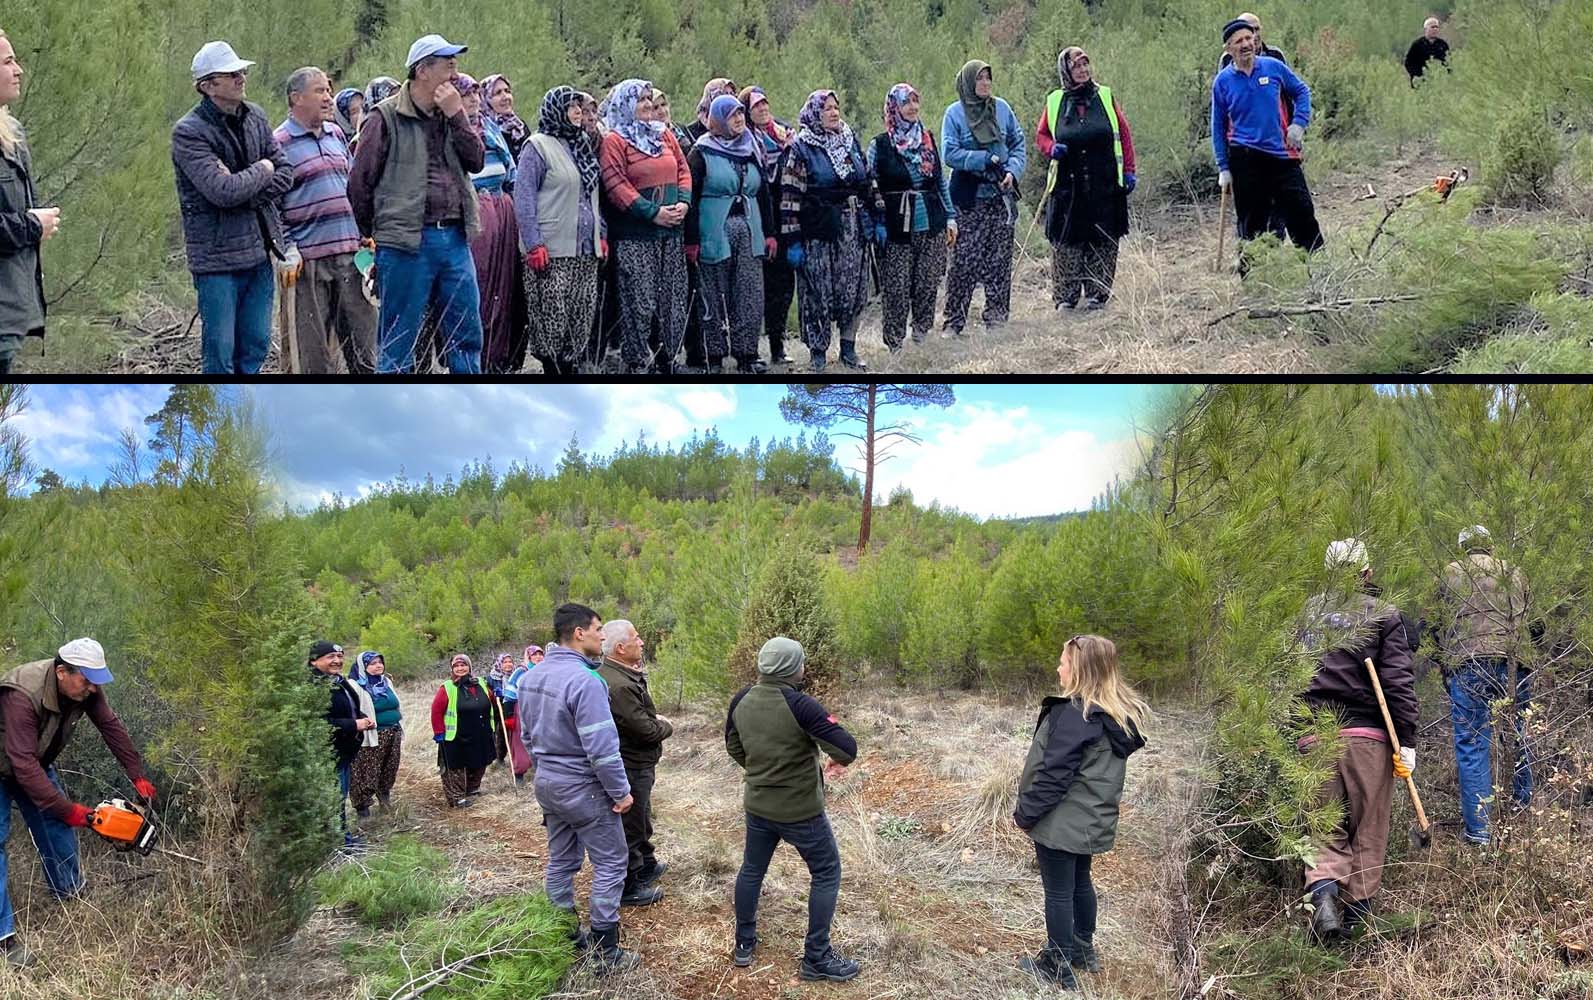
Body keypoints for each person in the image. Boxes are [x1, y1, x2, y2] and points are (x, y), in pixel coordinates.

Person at [0, 639, 155, 969]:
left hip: (33, 764)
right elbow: (22, 766)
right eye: (85, 679)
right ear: (61, 672)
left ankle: (68, 892)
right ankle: (4, 939)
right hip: (9, 765)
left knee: (55, 828)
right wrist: (72, 811)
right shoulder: (21, 694)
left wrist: (137, 776)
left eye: (96, 679)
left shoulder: (86, 689)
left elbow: (110, 726)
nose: (92, 687)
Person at [1296, 539, 1417, 941]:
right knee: (1368, 827)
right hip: (1368, 737)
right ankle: (1355, 917)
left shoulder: (1307, 613)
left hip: (1314, 735)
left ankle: (1324, 895)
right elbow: (1397, 683)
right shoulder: (1383, 613)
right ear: (1367, 572)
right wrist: (1408, 741)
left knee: (1323, 827)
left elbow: (1288, 676)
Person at [1013, 635, 1150, 986]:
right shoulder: (1115, 714)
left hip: (1060, 821)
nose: (1058, 667)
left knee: (1059, 890)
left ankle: (1056, 965)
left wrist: (1026, 814)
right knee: (1079, 882)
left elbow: (1053, 776)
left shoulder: (1076, 716)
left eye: (1064, 662)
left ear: (1081, 670)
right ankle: (1082, 950)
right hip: (1090, 822)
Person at [348, 34, 486, 374]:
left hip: (455, 239)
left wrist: (458, 116)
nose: (455, 74)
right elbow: (359, 185)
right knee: (398, 340)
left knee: (466, 334)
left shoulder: (451, 114)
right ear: (423, 70)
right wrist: (375, 237)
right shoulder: (384, 118)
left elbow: (477, 161)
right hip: (406, 244)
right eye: (448, 65)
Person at [726, 636, 860, 982]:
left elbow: (733, 745)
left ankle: (744, 942)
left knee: (752, 870)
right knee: (827, 872)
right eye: (801, 661)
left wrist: (760, 770)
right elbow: (847, 747)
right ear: (792, 668)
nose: (804, 666)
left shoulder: (741, 699)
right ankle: (816, 958)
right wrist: (833, 760)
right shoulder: (801, 705)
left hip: (758, 806)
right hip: (801, 812)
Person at [518, 603, 641, 974]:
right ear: (578, 633)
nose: (603, 636)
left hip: (548, 784)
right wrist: (621, 793)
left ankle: (564, 934)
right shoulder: (586, 681)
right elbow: (602, 749)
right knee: (611, 862)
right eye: (598, 629)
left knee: (561, 860)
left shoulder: (530, 677)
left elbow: (525, 736)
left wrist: (547, 771)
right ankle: (606, 951)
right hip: (583, 788)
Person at [172, 40, 293, 374]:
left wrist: (246, 187)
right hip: (217, 262)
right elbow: (221, 191)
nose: (241, 77)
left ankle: (242, 412)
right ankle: (219, 416)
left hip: (259, 252)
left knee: (255, 346)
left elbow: (285, 172)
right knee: (220, 355)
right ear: (208, 86)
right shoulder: (189, 132)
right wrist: (262, 170)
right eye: (231, 73)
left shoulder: (256, 116)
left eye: (241, 71)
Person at [274, 67, 377, 374]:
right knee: (311, 356)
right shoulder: (278, 142)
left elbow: (354, 186)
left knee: (365, 349)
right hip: (308, 261)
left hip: (350, 255)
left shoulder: (336, 135)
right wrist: (287, 248)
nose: (328, 98)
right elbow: (270, 205)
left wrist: (364, 231)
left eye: (329, 91)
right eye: (320, 91)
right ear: (297, 98)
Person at [1439, 526, 1532, 846]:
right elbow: (1535, 622)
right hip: (1515, 663)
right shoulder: (1515, 572)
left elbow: (1435, 624)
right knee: (1520, 734)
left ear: (1463, 547)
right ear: (1490, 546)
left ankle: (1479, 833)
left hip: (1469, 665)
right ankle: (1524, 812)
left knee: (1472, 744)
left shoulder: (1451, 572)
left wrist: (1444, 665)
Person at [1212, 19, 1324, 272]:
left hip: (1282, 155)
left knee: (1302, 213)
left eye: (1249, 38)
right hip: (1245, 159)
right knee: (1252, 225)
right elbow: (1217, 126)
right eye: (1239, 41)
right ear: (1228, 48)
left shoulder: (1273, 67)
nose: (1246, 44)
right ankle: (1255, 284)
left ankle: (1319, 272)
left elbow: (1302, 91)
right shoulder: (1222, 82)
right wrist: (1223, 167)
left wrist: (1298, 124)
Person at [782, 90, 880, 373]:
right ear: (814, 113)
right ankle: (818, 354)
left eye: (836, 108)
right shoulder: (801, 148)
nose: (834, 113)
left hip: (853, 229)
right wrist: (793, 241)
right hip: (818, 230)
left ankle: (848, 349)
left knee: (853, 291)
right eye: (826, 108)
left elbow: (867, 181)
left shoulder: (849, 141)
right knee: (817, 293)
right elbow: (789, 196)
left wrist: (877, 216)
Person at [599, 79, 692, 375]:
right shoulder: (615, 140)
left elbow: (682, 169)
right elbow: (616, 184)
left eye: (650, 99)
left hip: (671, 233)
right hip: (637, 235)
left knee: (672, 299)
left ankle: (667, 359)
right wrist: (652, 213)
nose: (648, 105)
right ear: (625, 104)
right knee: (639, 302)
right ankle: (637, 361)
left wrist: (684, 203)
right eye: (641, 100)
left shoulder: (663, 135)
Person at [1036, 47, 1136, 311]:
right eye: (1076, 66)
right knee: (1067, 239)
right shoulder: (1055, 100)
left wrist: (1129, 170)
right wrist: (1050, 148)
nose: (1082, 70)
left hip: (1103, 181)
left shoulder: (1105, 95)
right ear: (1066, 72)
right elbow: (1041, 135)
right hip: (1068, 184)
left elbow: (1123, 134)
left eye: (1085, 64)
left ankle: (1097, 295)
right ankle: (1066, 299)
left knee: (1103, 237)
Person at [516, 85, 606, 375]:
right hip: (551, 249)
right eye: (571, 106)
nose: (578, 112)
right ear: (556, 110)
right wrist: (533, 243)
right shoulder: (537, 146)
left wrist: (601, 234)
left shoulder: (582, 143)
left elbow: (591, 194)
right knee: (552, 316)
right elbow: (524, 197)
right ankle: (553, 373)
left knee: (581, 313)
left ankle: (570, 368)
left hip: (585, 248)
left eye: (579, 106)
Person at [686, 95, 776, 375]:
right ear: (718, 119)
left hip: (749, 229)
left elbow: (763, 194)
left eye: (740, 114)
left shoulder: (750, 148)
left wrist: (770, 234)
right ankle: (712, 355)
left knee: (750, 293)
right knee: (712, 294)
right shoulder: (700, 152)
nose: (738, 119)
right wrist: (691, 240)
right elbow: (690, 198)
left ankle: (747, 354)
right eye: (732, 115)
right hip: (714, 230)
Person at [941, 59, 1026, 336]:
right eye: (979, 79)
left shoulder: (1002, 109)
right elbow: (950, 153)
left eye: (988, 78)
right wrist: (981, 159)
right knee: (964, 261)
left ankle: (997, 319)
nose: (985, 84)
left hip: (1000, 196)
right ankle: (954, 322)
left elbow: (1017, 143)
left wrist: (1012, 170)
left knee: (999, 261)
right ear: (967, 82)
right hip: (969, 197)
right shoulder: (954, 114)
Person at [869, 82, 956, 351]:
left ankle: (921, 337)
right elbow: (870, 185)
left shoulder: (927, 138)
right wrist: (878, 223)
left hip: (931, 223)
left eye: (916, 101)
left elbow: (940, 182)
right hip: (896, 227)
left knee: (927, 284)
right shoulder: (880, 145)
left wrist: (951, 217)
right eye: (906, 103)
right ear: (894, 108)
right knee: (896, 289)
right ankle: (895, 345)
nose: (913, 107)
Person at [597, 620, 673, 907]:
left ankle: (646, 864)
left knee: (641, 817)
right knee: (630, 824)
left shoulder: (623, 674)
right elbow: (646, 730)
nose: (642, 642)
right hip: (631, 763)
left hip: (639, 761)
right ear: (620, 647)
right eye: (637, 638)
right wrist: (666, 725)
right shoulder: (617, 684)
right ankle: (628, 885)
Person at [457, 73, 528, 374]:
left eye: (475, 93)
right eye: (467, 94)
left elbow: (511, 172)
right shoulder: (452, 131)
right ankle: (478, 361)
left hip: (502, 209)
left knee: (506, 287)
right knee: (480, 287)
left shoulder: (492, 128)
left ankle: (502, 360)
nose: (473, 99)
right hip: (475, 213)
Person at [0, 29, 53, 376]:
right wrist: (33, 225)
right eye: (8, 61)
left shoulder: (12, 132)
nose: (19, 70)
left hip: (10, 312)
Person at [741, 86, 796, 366]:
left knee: (784, 287)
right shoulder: (745, 140)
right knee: (757, 287)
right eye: (756, 106)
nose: (763, 109)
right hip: (760, 217)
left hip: (787, 215)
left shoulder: (785, 133)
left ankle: (778, 344)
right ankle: (750, 347)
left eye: (765, 103)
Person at [308, 640, 372, 847]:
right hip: (327, 753)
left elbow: (347, 708)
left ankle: (342, 838)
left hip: (344, 752)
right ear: (314, 661)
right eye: (330, 657)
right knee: (333, 799)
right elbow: (317, 722)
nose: (337, 661)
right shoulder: (312, 686)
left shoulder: (337, 680)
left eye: (340, 656)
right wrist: (354, 724)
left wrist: (361, 718)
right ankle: (339, 844)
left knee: (339, 797)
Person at [430, 652, 505, 808]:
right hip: (456, 735)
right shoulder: (447, 687)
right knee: (455, 767)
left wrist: (498, 696)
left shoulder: (481, 684)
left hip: (481, 732)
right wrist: (438, 732)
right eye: (456, 666)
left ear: (469, 667)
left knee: (480, 762)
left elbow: (492, 702)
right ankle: (456, 798)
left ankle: (472, 789)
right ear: (451, 669)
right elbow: (436, 711)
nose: (460, 668)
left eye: (463, 665)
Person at [348, 650, 402, 817]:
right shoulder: (355, 685)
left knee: (388, 768)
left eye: (380, 662)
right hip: (370, 736)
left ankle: (384, 799)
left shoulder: (385, 682)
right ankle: (362, 809)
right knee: (365, 772)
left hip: (393, 732)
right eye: (372, 663)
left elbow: (395, 705)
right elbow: (351, 710)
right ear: (363, 667)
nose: (378, 666)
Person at [480, 74, 530, 161]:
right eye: (498, 93)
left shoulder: (519, 126)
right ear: (485, 99)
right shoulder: (485, 132)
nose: (505, 97)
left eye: (507, 91)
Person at [1217, 11, 1287, 69]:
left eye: (1257, 29)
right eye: (1249, 31)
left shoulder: (1275, 54)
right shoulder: (1227, 58)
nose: (1254, 35)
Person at [687, 78, 738, 145]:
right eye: (725, 94)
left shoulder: (737, 127)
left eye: (732, 94)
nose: (729, 98)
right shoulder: (691, 132)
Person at [1405, 18, 1451, 87]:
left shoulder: (1442, 45)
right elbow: (1409, 63)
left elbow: (1449, 63)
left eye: (1437, 27)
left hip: (1439, 83)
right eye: (1432, 27)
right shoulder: (1417, 45)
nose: (1435, 29)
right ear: (1426, 29)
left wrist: (1447, 77)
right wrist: (1418, 75)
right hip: (1421, 83)